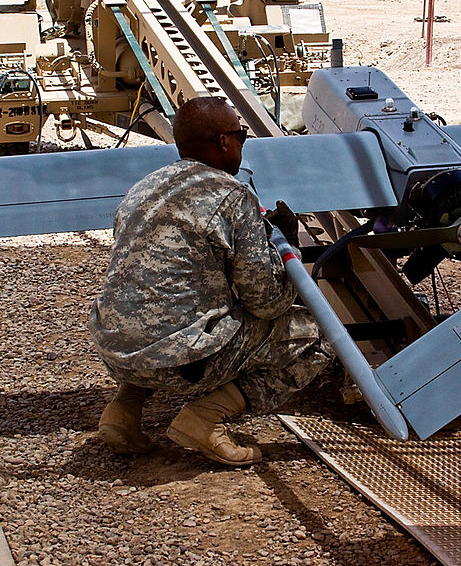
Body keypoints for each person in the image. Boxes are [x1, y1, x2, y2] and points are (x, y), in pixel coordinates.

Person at [88, 96, 330, 466]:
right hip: (177, 362)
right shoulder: (232, 197)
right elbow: (265, 302)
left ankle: (123, 411)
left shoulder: (143, 189)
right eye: (241, 136)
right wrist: (287, 248)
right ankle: (205, 419)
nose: (241, 143)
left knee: (160, 313)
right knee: (318, 333)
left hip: (113, 351)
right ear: (223, 142)